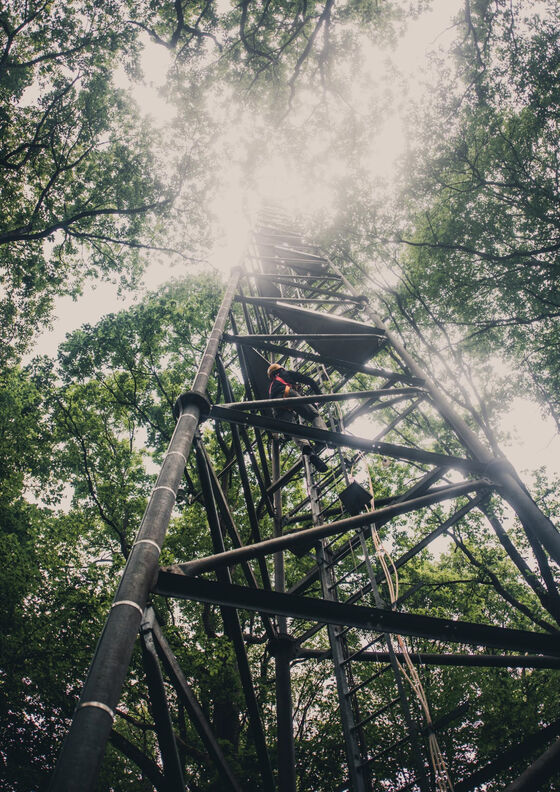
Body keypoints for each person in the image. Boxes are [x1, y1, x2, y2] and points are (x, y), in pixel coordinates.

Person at [267, 363, 329, 472]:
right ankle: (322, 435)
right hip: (288, 394)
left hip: (276, 405)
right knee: (314, 415)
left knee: (292, 428)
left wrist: (286, 435)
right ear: (280, 369)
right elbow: (309, 380)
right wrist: (320, 395)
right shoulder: (286, 373)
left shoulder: (272, 386)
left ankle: (308, 450)